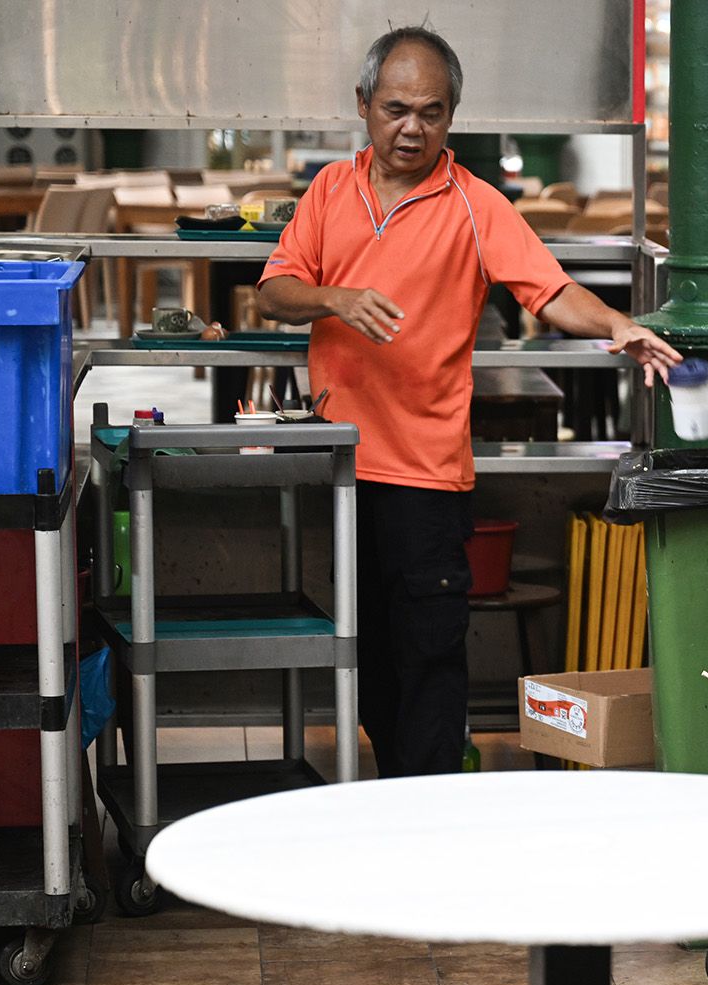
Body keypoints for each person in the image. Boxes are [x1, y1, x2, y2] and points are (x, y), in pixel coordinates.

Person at [259, 25, 680, 778]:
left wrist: (619, 323)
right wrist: (336, 298)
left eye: (431, 110)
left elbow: (548, 290)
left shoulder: (475, 204)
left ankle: (430, 822)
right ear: (363, 106)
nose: (412, 127)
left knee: (429, 662)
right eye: (395, 109)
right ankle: (401, 799)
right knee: (373, 661)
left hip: (424, 473)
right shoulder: (329, 190)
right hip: (344, 468)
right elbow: (274, 292)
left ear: (453, 115)